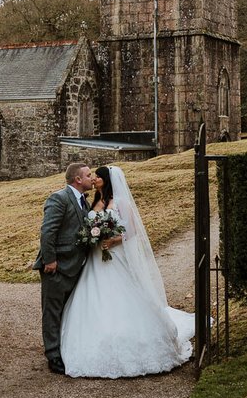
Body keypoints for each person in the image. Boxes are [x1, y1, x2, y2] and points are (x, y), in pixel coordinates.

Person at [59, 165, 194, 378]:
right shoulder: (93, 202)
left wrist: (114, 240)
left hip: (115, 256)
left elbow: (132, 231)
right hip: (96, 258)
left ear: (106, 179)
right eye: (91, 175)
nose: (93, 178)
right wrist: (92, 237)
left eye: (97, 176)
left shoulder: (119, 202)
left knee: (124, 294)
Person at [34, 162, 94, 375]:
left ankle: (65, 348)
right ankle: (53, 356)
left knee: (68, 312)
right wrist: (50, 260)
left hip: (75, 267)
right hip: (56, 267)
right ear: (78, 179)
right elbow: (47, 232)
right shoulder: (58, 198)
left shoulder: (84, 202)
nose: (92, 178)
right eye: (88, 175)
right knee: (52, 312)